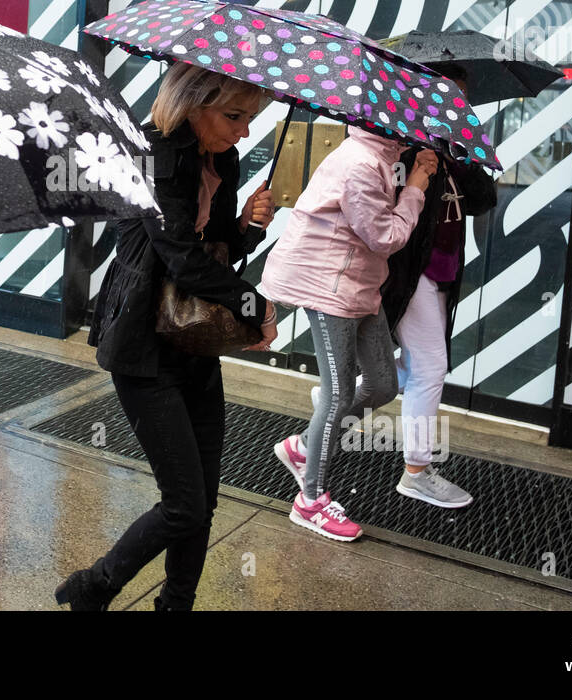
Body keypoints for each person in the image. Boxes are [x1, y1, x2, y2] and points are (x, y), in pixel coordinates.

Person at [60, 63, 277, 610]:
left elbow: (218, 246)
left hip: (193, 339)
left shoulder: (219, 156)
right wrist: (256, 306)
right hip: (143, 342)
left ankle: (176, 605)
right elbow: (180, 257)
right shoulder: (150, 152)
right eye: (233, 116)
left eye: (250, 118)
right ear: (191, 102)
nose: (243, 132)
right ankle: (96, 587)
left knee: (202, 501)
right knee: (182, 503)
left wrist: (249, 224)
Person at [262, 126, 437, 541]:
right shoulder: (360, 162)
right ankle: (311, 501)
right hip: (327, 285)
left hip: (359, 284)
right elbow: (385, 236)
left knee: (382, 384)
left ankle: (303, 446)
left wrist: (409, 174)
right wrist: (415, 187)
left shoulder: (383, 156)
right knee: (337, 392)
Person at [380, 77, 497, 507]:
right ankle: (416, 470)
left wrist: (465, 154)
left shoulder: (454, 147)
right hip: (411, 272)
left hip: (443, 270)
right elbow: (384, 206)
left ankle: (342, 398)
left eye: (461, 97)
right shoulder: (401, 143)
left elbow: (483, 200)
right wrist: (417, 171)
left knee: (414, 366)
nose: (456, 103)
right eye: (448, 94)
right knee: (430, 367)